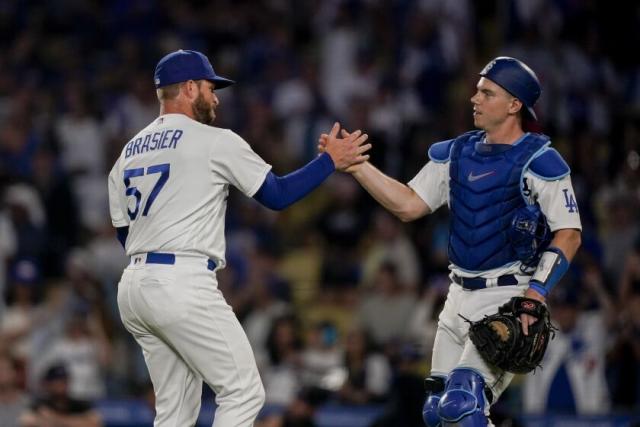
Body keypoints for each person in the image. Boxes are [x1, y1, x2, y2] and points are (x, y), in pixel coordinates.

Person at [107, 49, 370, 427]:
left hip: (135, 285)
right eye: (210, 88)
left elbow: (123, 232)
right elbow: (277, 196)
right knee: (244, 391)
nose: (215, 97)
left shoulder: (127, 152)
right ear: (189, 87)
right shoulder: (214, 140)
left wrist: (160, 271)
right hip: (181, 282)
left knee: (175, 411)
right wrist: (329, 160)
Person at [321, 56, 582, 425]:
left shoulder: (540, 160)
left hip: (507, 297)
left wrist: (536, 294)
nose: (474, 98)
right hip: (456, 296)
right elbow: (409, 205)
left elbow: (569, 233)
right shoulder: (458, 153)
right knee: (436, 413)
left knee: (463, 403)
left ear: (514, 105)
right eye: (477, 90)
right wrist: (357, 167)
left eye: (487, 93)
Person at [19, 363, 102, 427]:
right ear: (48, 383)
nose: (60, 385)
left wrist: (56, 419)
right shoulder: (40, 404)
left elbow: (95, 423)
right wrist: (77, 421)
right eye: (56, 381)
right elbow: (26, 421)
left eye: (63, 381)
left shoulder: (80, 404)